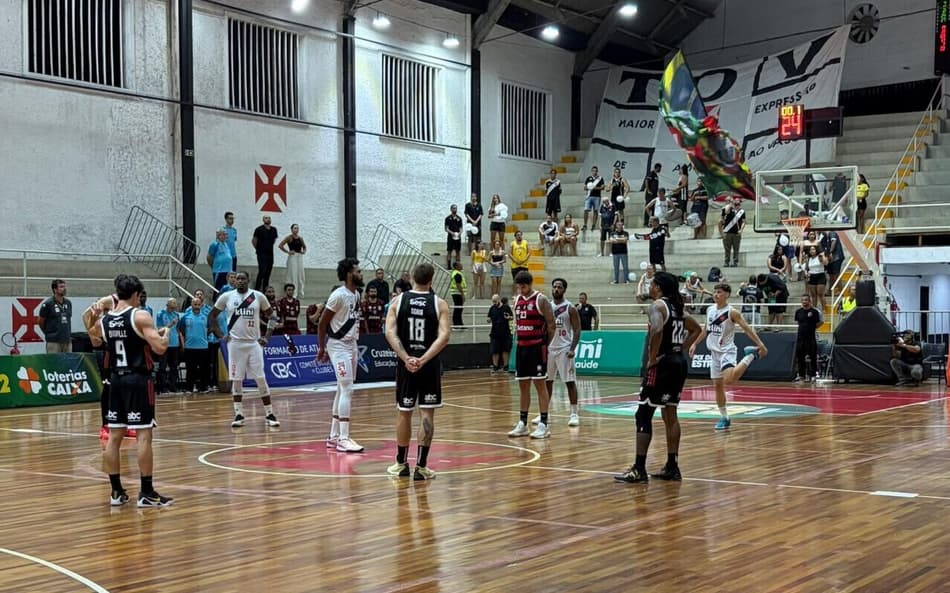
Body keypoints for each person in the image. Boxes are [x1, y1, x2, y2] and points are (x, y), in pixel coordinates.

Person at [89, 274, 172, 507]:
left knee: (114, 437)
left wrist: (97, 313)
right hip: (137, 380)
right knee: (144, 435)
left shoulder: (105, 321)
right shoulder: (140, 315)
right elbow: (159, 349)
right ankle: (146, 492)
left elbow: (95, 341)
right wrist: (166, 336)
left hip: (114, 381)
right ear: (136, 294)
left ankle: (116, 492)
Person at [615, 272, 702, 484]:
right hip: (678, 363)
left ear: (659, 287)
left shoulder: (658, 306)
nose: (650, 287)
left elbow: (656, 329)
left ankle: (639, 468)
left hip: (663, 364)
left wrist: (652, 358)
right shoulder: (677, 308)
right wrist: (679, 348)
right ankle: (672, 466)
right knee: (670, 413)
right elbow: (697, 328)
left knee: (643, 414)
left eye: (652, 284)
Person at [384, 263, 451, 481]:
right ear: (431, 280)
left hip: (406, 365)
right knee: (427, 413)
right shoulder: (439, 303)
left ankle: (401, 464)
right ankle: (421, 467)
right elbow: (444, 337)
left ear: (412, 277)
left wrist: (407, 358)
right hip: (428, 365)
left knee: (404, 411)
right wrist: (423, 359)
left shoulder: (398, 301)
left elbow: (389, 333)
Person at [689, 283, 768, 430]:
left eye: (719, 292)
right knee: (718, 386)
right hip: (714, 352)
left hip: (727, 350)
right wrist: (694, 343)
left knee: (730, 380)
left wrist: (760, 344)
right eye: (715, 292)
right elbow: (706, 329)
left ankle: (750, 356)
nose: (716, 294)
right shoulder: (710, 309)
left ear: (727, 295)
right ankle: (724, 418)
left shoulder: (732, 312)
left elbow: (746, 328)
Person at [209, 271, 281, 428]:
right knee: (237, 379)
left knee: (260, 378)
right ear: (234, 281)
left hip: (254, 344)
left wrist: (267, 336)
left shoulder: (258, 296)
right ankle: (238, 414)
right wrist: (220, 334)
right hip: (235, 344)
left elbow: (273, 316)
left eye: (243, 278)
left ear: (248, 280)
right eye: (238, 278)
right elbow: (212, 315)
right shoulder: (226, 296)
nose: (240, 281)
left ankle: (269, 413)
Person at [317, 258, 364, 453]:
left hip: (352, 344)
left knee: (341, 388)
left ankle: (333, 436)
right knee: (347, 389)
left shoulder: (357, 294)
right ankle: (344, 438)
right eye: (358, 271)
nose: (361, 274)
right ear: (348, 274)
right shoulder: (338, 295)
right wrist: (322, 348)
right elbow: (321, 323)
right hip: (338, 346)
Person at [507, 271, 556, 439]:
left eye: (524, 286)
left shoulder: (540, 299)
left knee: (540, 385)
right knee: (523, 386)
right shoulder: (517, 300)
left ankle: (544, 423)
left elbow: (551, 325)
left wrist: (545, 345)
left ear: (530, 284)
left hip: (537, 348)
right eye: (519, 286)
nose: (521, 289)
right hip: (521, 348)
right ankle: (523, 423)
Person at [541, 278, 581, 427]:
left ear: (564, 290)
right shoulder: (547, 307)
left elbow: (577, 329)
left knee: (569, 382)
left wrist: (572, 348)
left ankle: (574, 414)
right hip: (550, 348)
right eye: (554, 287)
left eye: (559, 287)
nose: (556, 289)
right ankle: (545, 414)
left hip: (565, 349)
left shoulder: (570, 307)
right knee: (547, 382)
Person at [179, 297, 211, 393]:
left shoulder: (205, 316)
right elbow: (181, 329)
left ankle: (203, 388)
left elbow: (210, 328)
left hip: (203, 347)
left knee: (203, 369)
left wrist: (203, 336)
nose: (197, 306)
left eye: (198, 304)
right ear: (191, 305)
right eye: (195, 304)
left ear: (201, 305)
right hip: (189, 347)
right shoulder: (185, 316)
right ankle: (189, 388)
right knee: (190, 369)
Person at [793, 294, 823, 382]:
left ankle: (813, 375)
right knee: (800, 357)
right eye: (803, 300)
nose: (804, 302)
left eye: (806, 300)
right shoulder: (798, 312)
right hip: (800, 338)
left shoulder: (814, 312)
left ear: (809, 301)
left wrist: (811, 328)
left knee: (813, 356)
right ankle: (801, 375)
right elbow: (799, 323)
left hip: (811, 338)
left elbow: (820, 323)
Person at [155, 298, 182, 394]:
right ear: (167, 304)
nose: (175, 305)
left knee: (174, 366)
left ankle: (173, 387)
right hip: (164, 343)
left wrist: (181, 342)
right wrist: (170, 325)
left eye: (175, 303)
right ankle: (162, 388)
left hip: (174, 344)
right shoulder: (160, 314)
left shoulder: (176, 315)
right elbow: (159, 329)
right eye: (173, 303)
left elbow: (178, 330)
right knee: (162, 366)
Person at [38, 279, 73, 353]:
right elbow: (40, 321)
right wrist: (49, 333)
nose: (64, 289)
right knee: (54, 363)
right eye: (61, 287)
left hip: (67, 340)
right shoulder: (48, 304)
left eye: (64, 286)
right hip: (53, 341)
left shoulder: (68, 303)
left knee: (67, 363)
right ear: (55, 289)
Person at [279, 224, 307, 299]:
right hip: (292, 257)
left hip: (299, 257)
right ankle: (292, 293)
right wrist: (288, 252)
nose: (296, 230)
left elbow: (304, 247)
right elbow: (280, 245)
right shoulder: (289, 237)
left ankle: (300, 293)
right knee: (293, 275)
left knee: (301, 275)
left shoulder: (300, 238)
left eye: (297, 228)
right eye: (295, 228)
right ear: (291, 229)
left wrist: (303, 251)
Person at [487, 294, 513, 373]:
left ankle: (506, 366)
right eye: (493, 301)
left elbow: (512, 317)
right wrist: (488, 320)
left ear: (499, 300)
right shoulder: (492, 308)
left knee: (506, 350)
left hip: (505, 332)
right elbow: (488, 317)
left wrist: (509, 317)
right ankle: (495, 366)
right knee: (495, 350)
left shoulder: (506, 307)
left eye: (495, 301)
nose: (494, 303)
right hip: (495, 332)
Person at [252, 215, 279, 291]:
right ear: (263, 220)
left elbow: (273, 240)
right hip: (261, 253)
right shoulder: (259, 229)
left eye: (269, 218)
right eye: (266, 218)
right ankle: (257, 288)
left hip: (270, 253)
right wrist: (259, 250)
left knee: (268, 271)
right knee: (262, 270)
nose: (268, 219)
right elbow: (254, 241)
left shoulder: (274, 229)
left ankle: (265, 289)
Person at [719, 196, 746, 267]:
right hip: (727, 232)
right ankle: (726, 261)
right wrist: (731, 204)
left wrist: (741, 230)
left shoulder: (742, 211)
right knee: (727, 249)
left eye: (738, 204)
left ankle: (735, 262)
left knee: (736, 248)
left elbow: (743, 222)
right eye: (735, 203)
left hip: (736, 233)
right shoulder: (728, 209)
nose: (737, 205)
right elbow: (726, 212)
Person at [802, 245, 829, 313]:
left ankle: (824, 309)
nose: (812, 251)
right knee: (813, 295)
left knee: (820, 294)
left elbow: (826, 263)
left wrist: (822, 257)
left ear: (816, 250)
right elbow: (806, 268)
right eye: (811, 250)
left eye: (813, 249)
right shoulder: (808, 258)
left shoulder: (819, 257)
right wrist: (806, 273)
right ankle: (814, 309)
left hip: (820, 275)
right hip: (811, 276)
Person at [583, 166, 605, 231]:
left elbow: (602, 187)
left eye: (595, 171)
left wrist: (594, 187)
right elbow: (584, 188)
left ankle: (594, 225)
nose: (594, 172)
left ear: (597, 171)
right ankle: (585, 225)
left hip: (597, 197)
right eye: (593, 171)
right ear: (591, 171)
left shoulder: (600, 178)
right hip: (589, 196)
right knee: (586, 210)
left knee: (595, 211)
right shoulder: (588, 178)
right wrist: (589, 187)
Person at [609, 220, 630, 285]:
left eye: (621, 225)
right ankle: (616, 280)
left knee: (625, 267)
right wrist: (621, 240)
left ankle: (626, 280)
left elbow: (625, 240)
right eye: (619, 225)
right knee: (616, 267)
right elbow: (611, 241)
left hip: (623, 252)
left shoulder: (626, 233)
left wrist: (616, 240)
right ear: (616, 226)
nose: (620, 226)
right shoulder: (612, 233)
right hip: (615, 252)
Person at [641, 162, 661, 227]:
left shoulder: (656, 175)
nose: (660, 170)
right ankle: (646, 222)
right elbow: (646, 181)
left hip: (654, 194)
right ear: (657, 168)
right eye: (659, 168)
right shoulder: (651, 173)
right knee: (648, 207)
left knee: (653, 208)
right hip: (650, 194)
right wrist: (648, 190)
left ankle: (652, 223)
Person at [444, 204, 463, 269]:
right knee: (449, 251)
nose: (455, 209)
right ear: (451, 209)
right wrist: (452, 233)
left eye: (456, 208)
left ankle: (458, 266)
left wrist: (459, 233)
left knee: (458, 251)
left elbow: (461, 228)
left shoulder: (459, 218)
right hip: (450, 237)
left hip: (458, 238)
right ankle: (449, 265)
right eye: (453, 208)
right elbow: (446, 228)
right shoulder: (447, 218)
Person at [449, 261, 466, 329]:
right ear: (456, 266)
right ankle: (456, 325)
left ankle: (460, 324)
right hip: (457, 293)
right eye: (460, 265)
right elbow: (458, 285)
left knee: (459, 309)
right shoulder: (457, 274)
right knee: (458, 309)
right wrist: (462, 294)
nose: (461, 266)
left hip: (457, 293)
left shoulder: (457, 273)